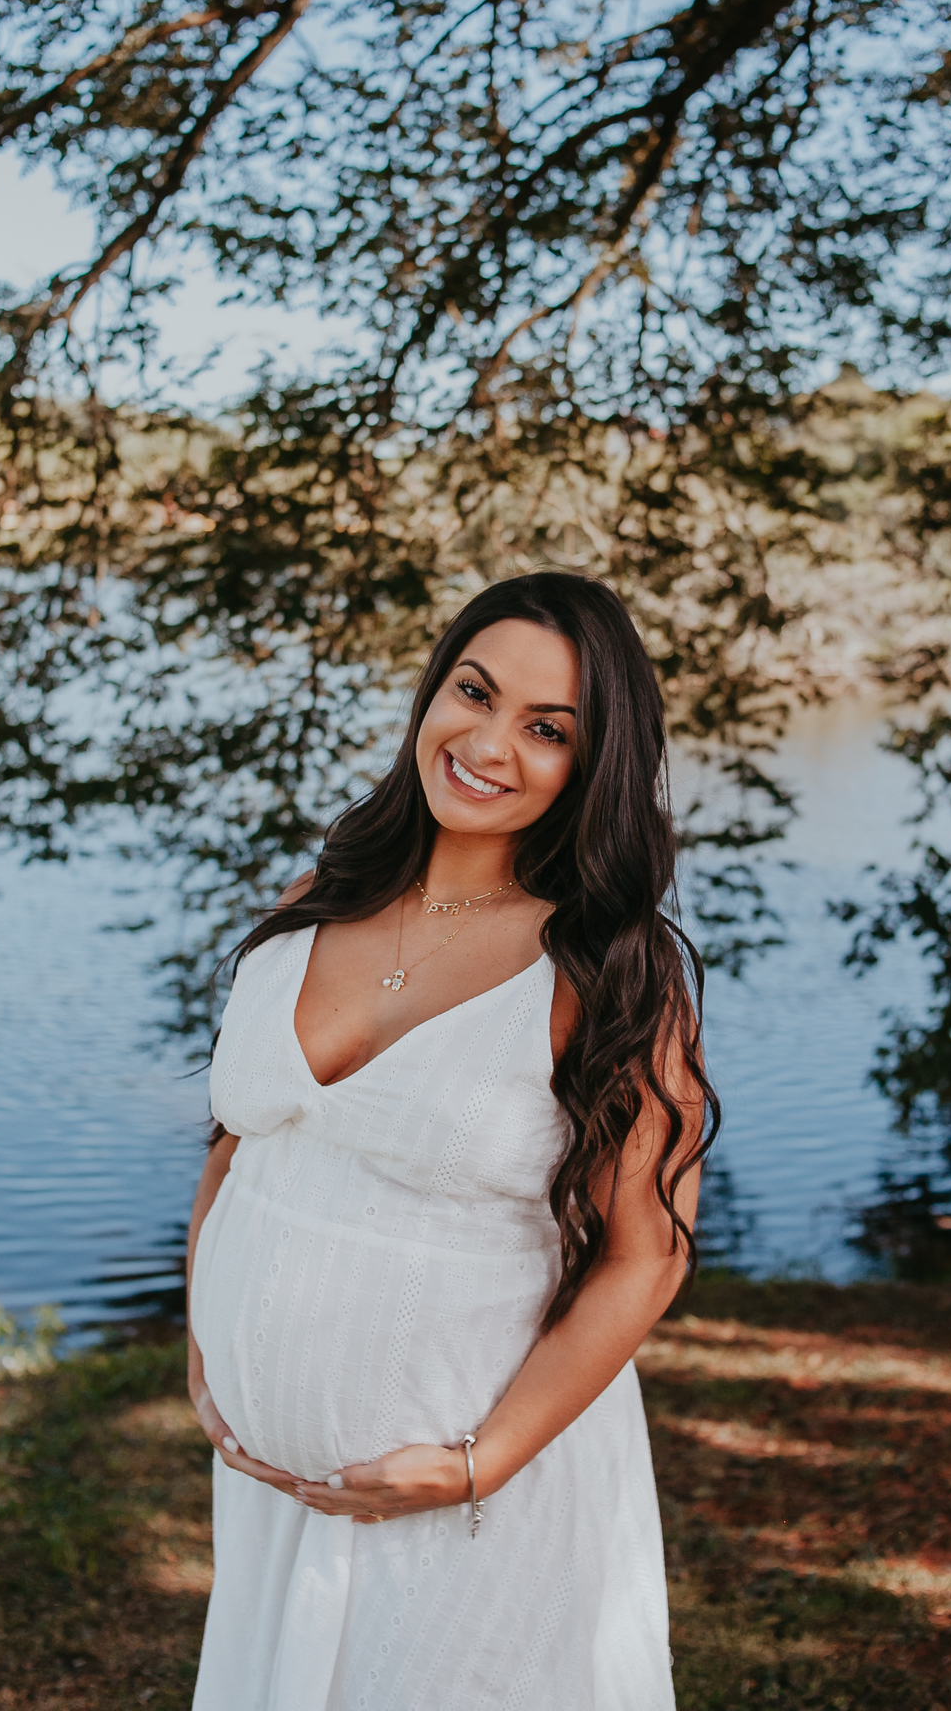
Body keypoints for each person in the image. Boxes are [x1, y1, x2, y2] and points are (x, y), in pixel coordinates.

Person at [186, 572, 718, 1711]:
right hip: (274, 1493)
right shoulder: (318, 895)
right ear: (432, 692)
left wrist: (484, 1462)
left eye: (547, 729)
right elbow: (241, 1145)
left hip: (476, 1500)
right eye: (472, 692)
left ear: (595, 764)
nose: (487, 742)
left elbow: (649, 1254)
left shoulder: (609, 969)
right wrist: (204, 1343)